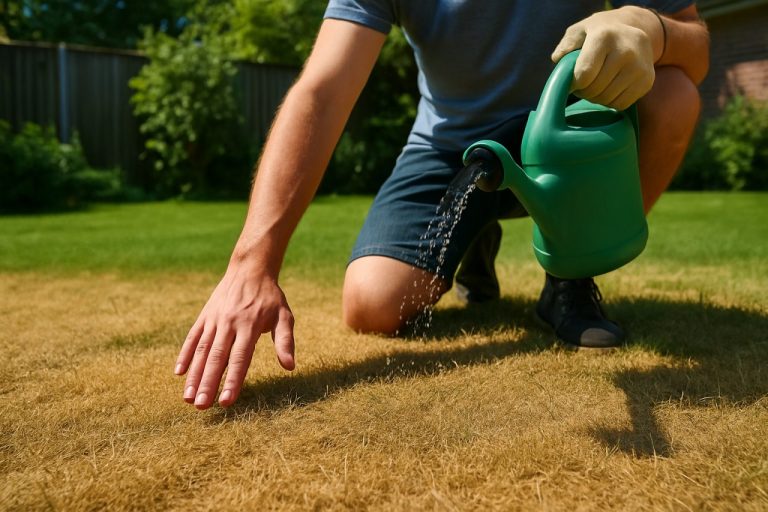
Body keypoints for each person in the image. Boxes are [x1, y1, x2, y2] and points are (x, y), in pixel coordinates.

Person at [174, 1, 710, 410]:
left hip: (575, 127)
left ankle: (570, 275)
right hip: (450, 148)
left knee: (673, 95)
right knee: (372, 305)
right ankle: (474, 237)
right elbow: (323, 90)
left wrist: (648, 26)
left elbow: (696, 45)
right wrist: (252, 263)